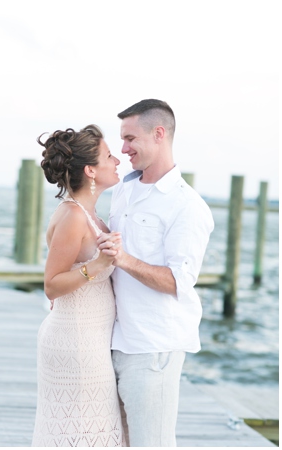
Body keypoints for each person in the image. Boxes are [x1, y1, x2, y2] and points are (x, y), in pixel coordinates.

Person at [101, 99, 213, 446]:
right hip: (112, 342)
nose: (123, 148)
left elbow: (178, 281)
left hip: (153, 349)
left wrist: (124, 259)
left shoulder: (187, 205)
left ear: (159, 134)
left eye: (130, 138)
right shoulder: (123, 190)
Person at [32, 125, 125, 446]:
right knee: (83, 434)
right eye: (108, 156)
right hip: (77, 345)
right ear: (90, 170)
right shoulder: (73, 216)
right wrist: (98, 265)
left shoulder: (90, 213)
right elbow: (52, 284)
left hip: (91, 339)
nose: (117, 160)